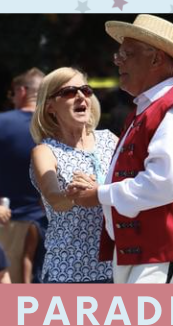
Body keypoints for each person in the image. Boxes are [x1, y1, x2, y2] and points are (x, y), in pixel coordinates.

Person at [73, 16, 173, 283]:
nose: (117, 60)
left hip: (162, 250)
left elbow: (163, 183)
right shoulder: (153, 107)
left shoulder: (172, 109)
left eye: (127, 54)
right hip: (147, 250)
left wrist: (100, 194)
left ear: (156, 60)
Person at [29, 67, 118, 284]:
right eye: (69, 92)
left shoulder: (110, 140)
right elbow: (54, 197)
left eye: (85, 90)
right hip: (67, 272)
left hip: (116, 268)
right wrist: (73, 194)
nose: (80, 96)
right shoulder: (45, 151)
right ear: (50, 106)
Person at [0, 68, 44, 283]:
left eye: (12, 93)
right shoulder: (54, 125)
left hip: (6, 218)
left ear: (22, 91)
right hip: (47, 219)